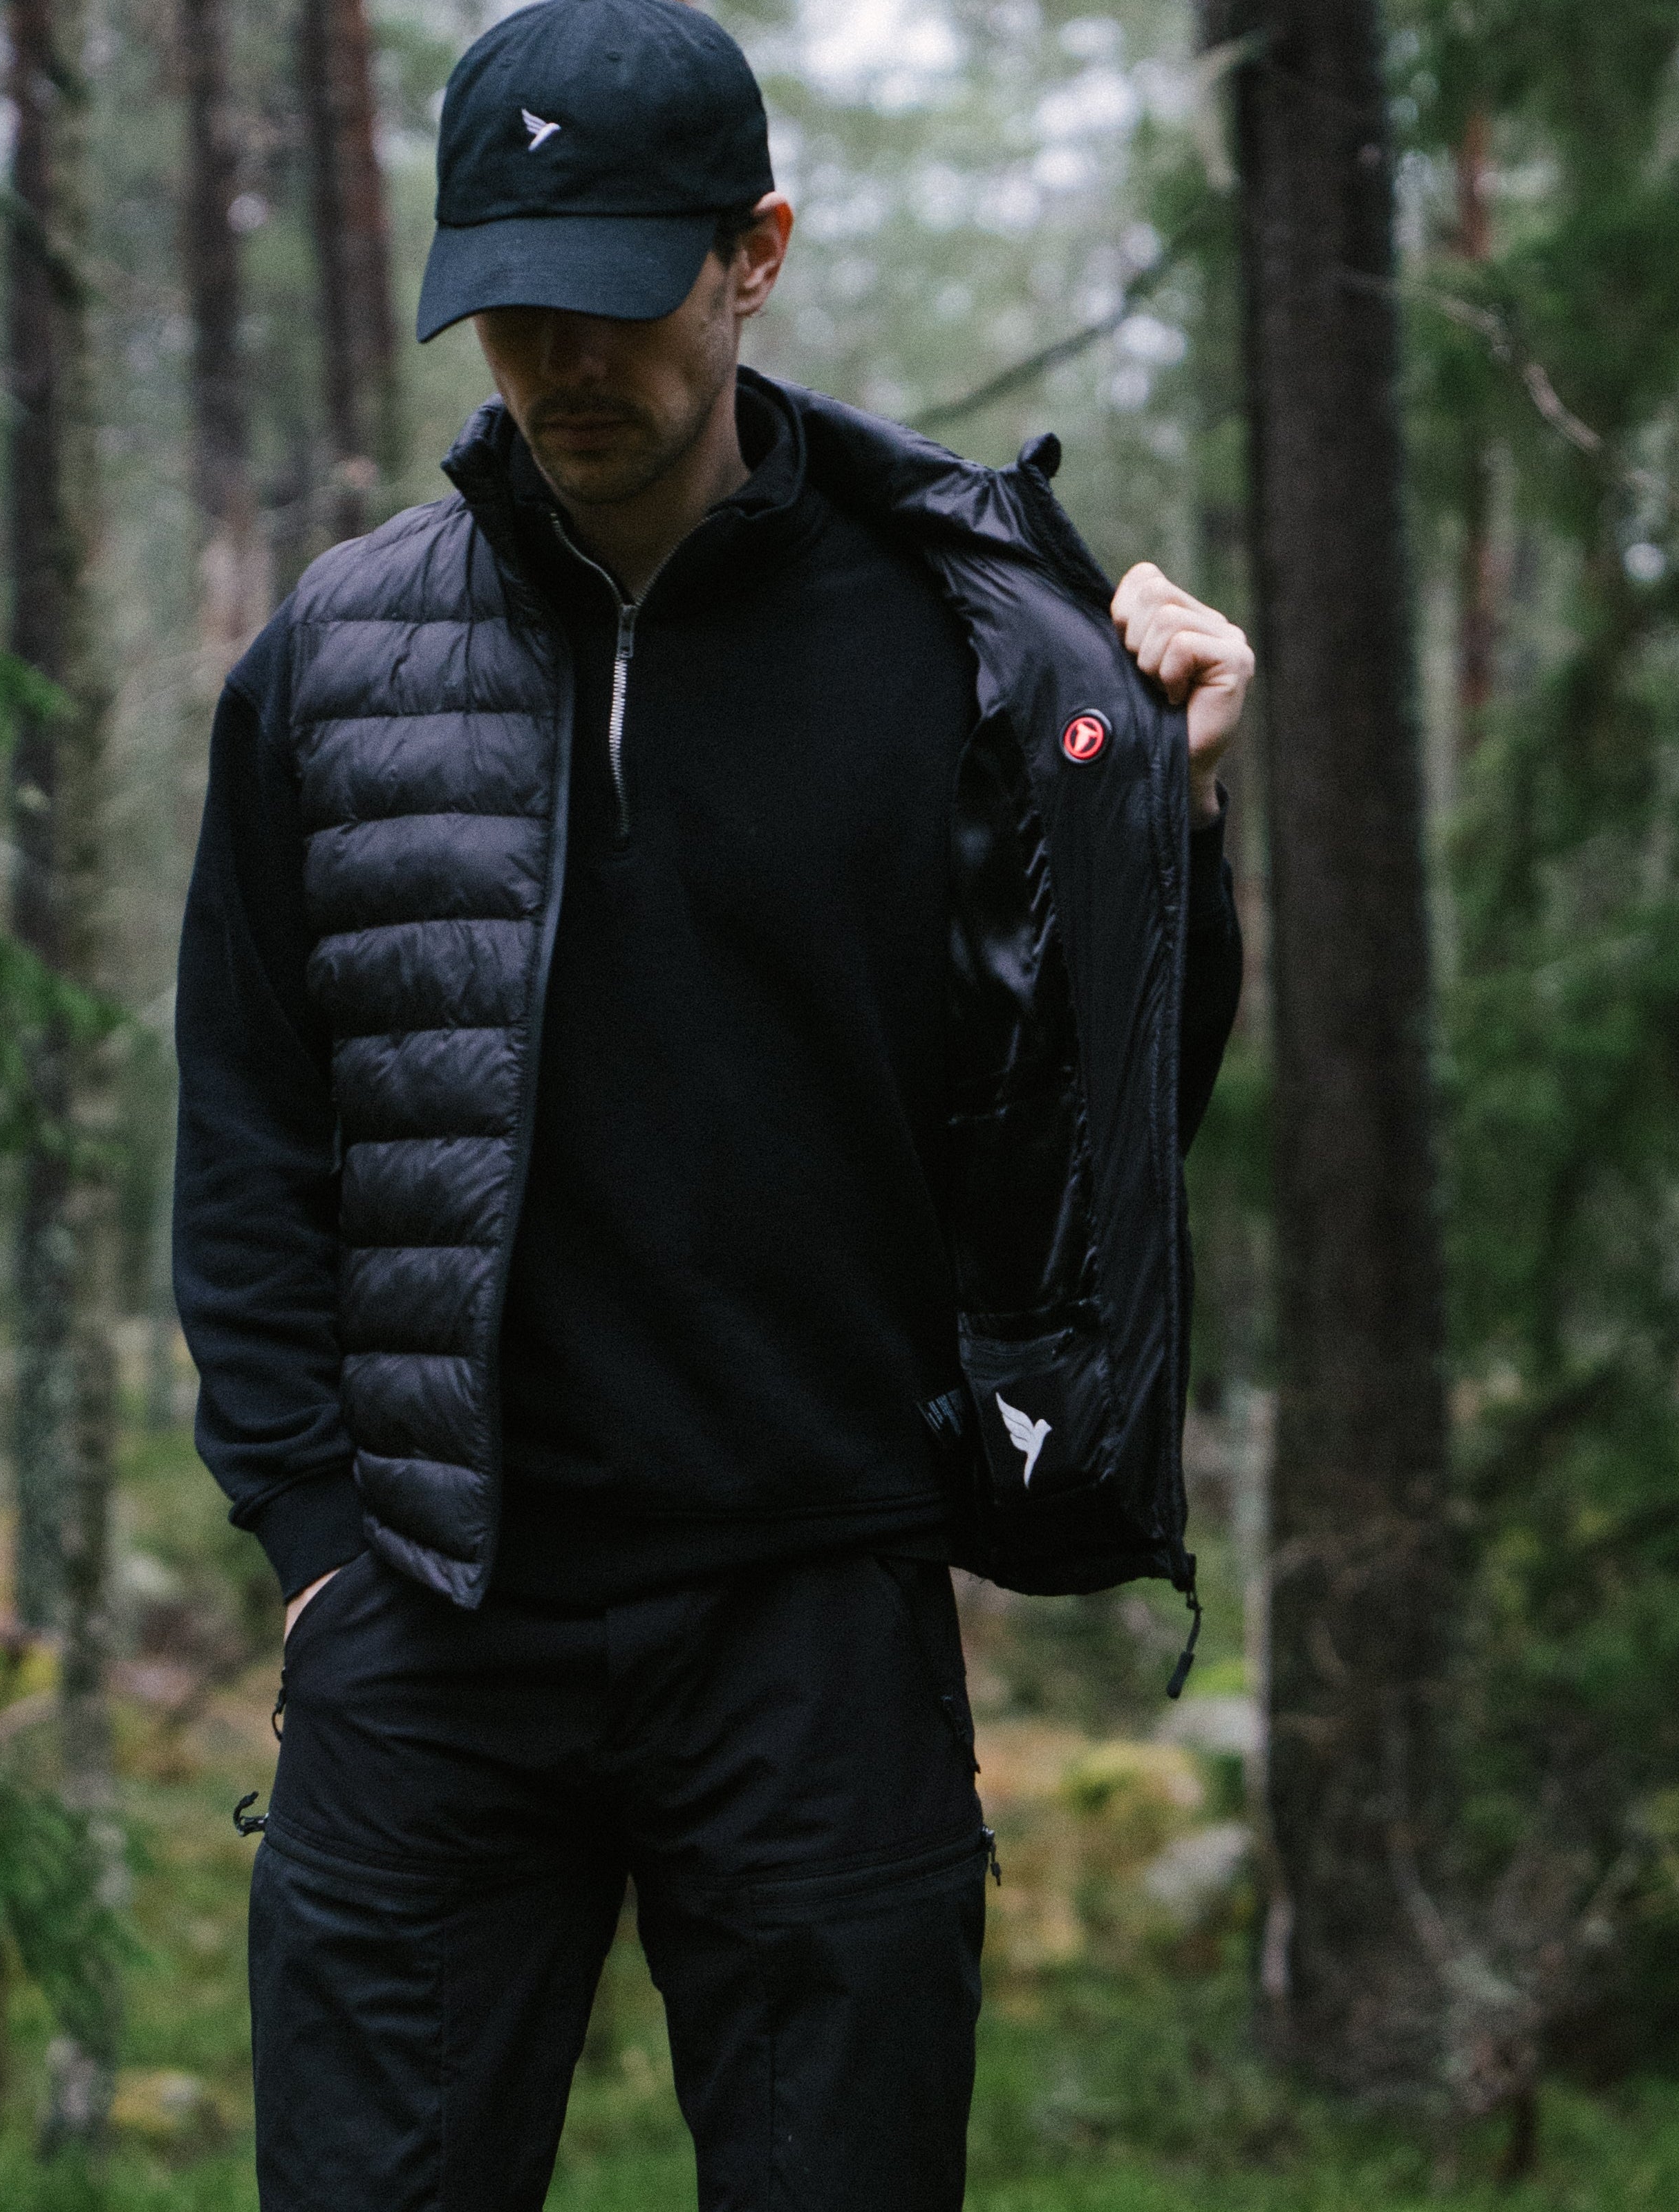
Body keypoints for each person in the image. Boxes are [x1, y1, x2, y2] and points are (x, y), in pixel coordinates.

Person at [172, 1, 1253, 2202]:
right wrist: (313, 1556)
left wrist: (1168, 822)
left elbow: (1103, 1126)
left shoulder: (973, 643)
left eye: (617, 295)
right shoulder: (337, 661)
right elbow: (252, 1130)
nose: (564, 360)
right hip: (434, 1634)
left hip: (815, 1634)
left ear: (753, 253)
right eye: (511, 309)